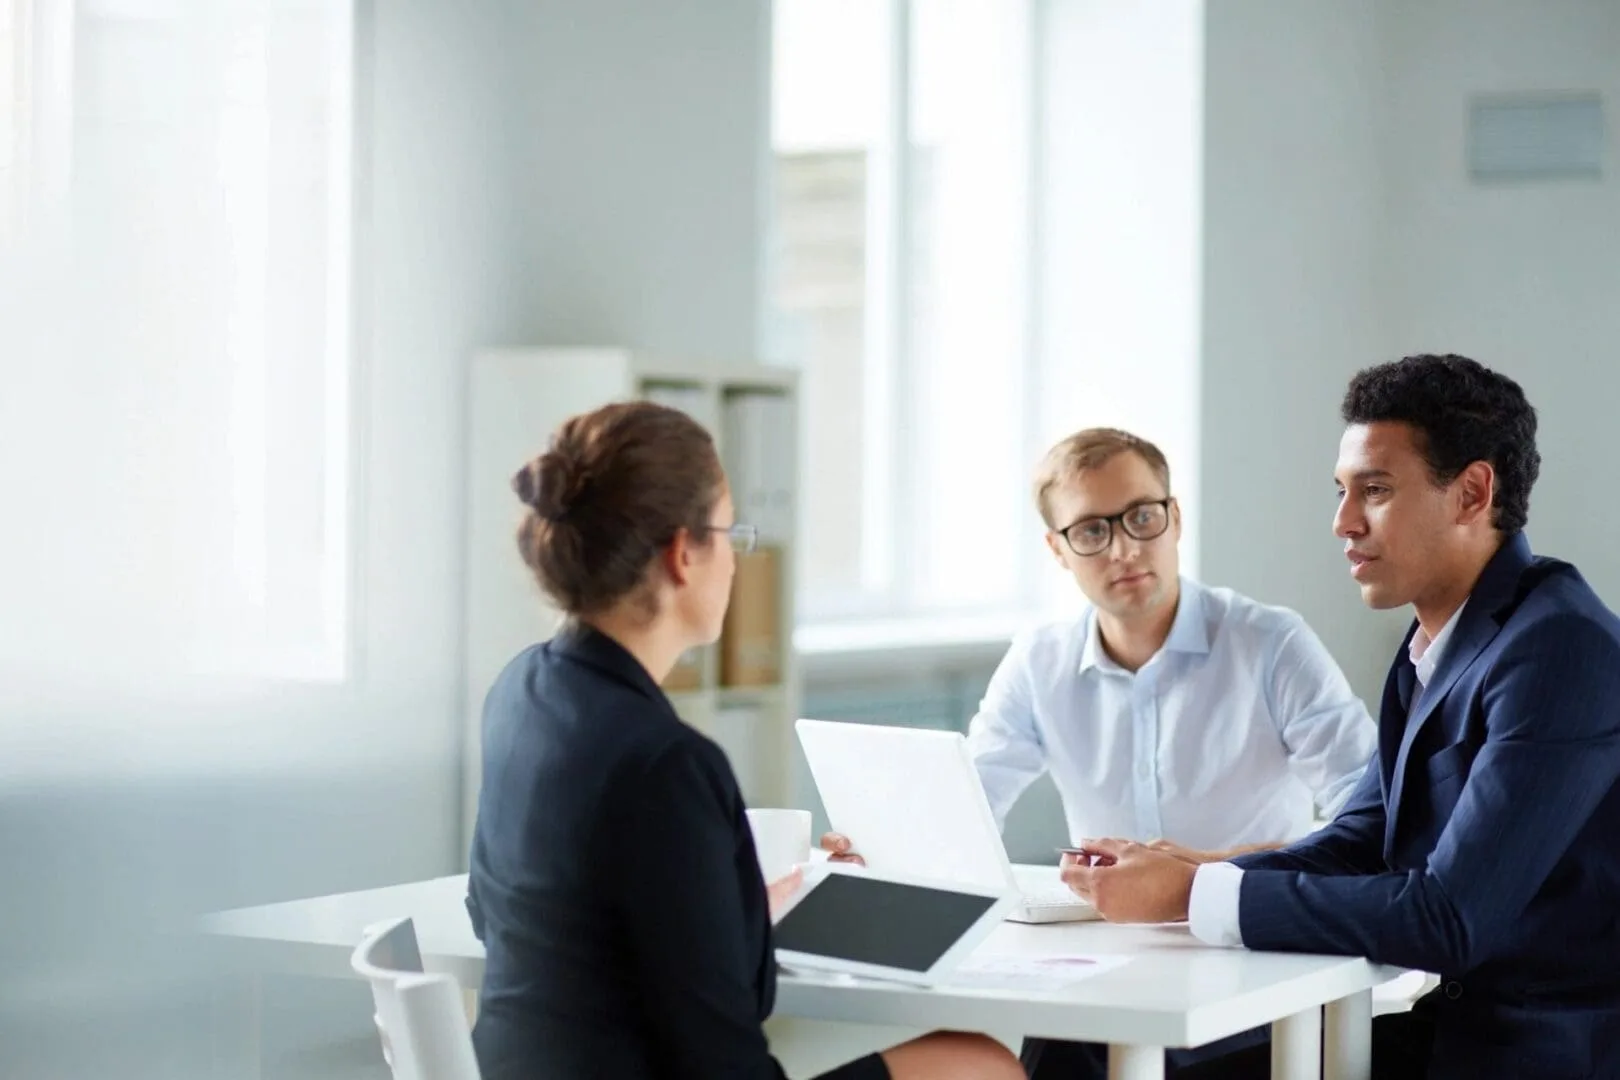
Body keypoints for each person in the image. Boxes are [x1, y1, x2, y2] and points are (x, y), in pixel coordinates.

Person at [1064, 355, 1620, 1080]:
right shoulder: (1439, 637)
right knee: (1089, 1051)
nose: (1342, 521)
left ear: (1472, 493)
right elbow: (1364, 838)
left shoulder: (1559, 649)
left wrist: (1195, 892)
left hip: (1534, 1056)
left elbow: (1448, 918)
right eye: (1341, 491)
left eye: (1376, 491)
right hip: (1447, 1034)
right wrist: (1192, 872)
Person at [464, 401, 1024, 1080]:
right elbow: (722, 1054)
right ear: (682, 554)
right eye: (731, 535)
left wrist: (729, 907)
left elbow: (502, 913)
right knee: (980, 1062)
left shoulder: (520, 692)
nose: (735, 561)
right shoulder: (667, 762)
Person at [821, 427, 1378, 1077]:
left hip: (1251, 961)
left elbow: (1370, 825)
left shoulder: (1270, 643)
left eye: (1142, 517)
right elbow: (967, 805)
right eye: (1091, 531)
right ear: (1058, 550)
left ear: (1175, 518)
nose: (1123, 549)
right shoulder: (1041, 659)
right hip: (1105, 973)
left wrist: (1198, 874)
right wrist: (884, 848)